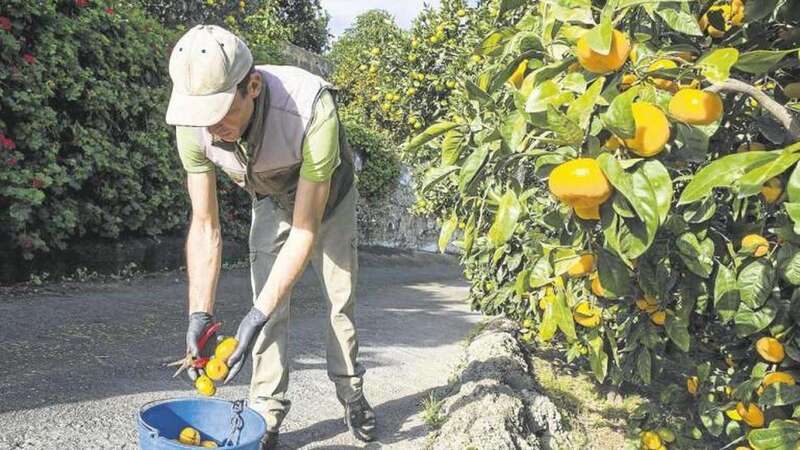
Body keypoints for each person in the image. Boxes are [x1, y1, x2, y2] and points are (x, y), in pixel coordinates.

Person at [164, 24, 376, 449]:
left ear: (252, 86)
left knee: (338, 299)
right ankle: (266, 410)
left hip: (327, 199)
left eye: (221, 111)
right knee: (267, 302)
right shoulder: (193, 124)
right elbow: (205, 226)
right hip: (270, 195)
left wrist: (252, 317)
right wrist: (199, 316)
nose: (211, 127)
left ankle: (351, 392)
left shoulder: (311, 109)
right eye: (200, 115)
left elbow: (305, 230)